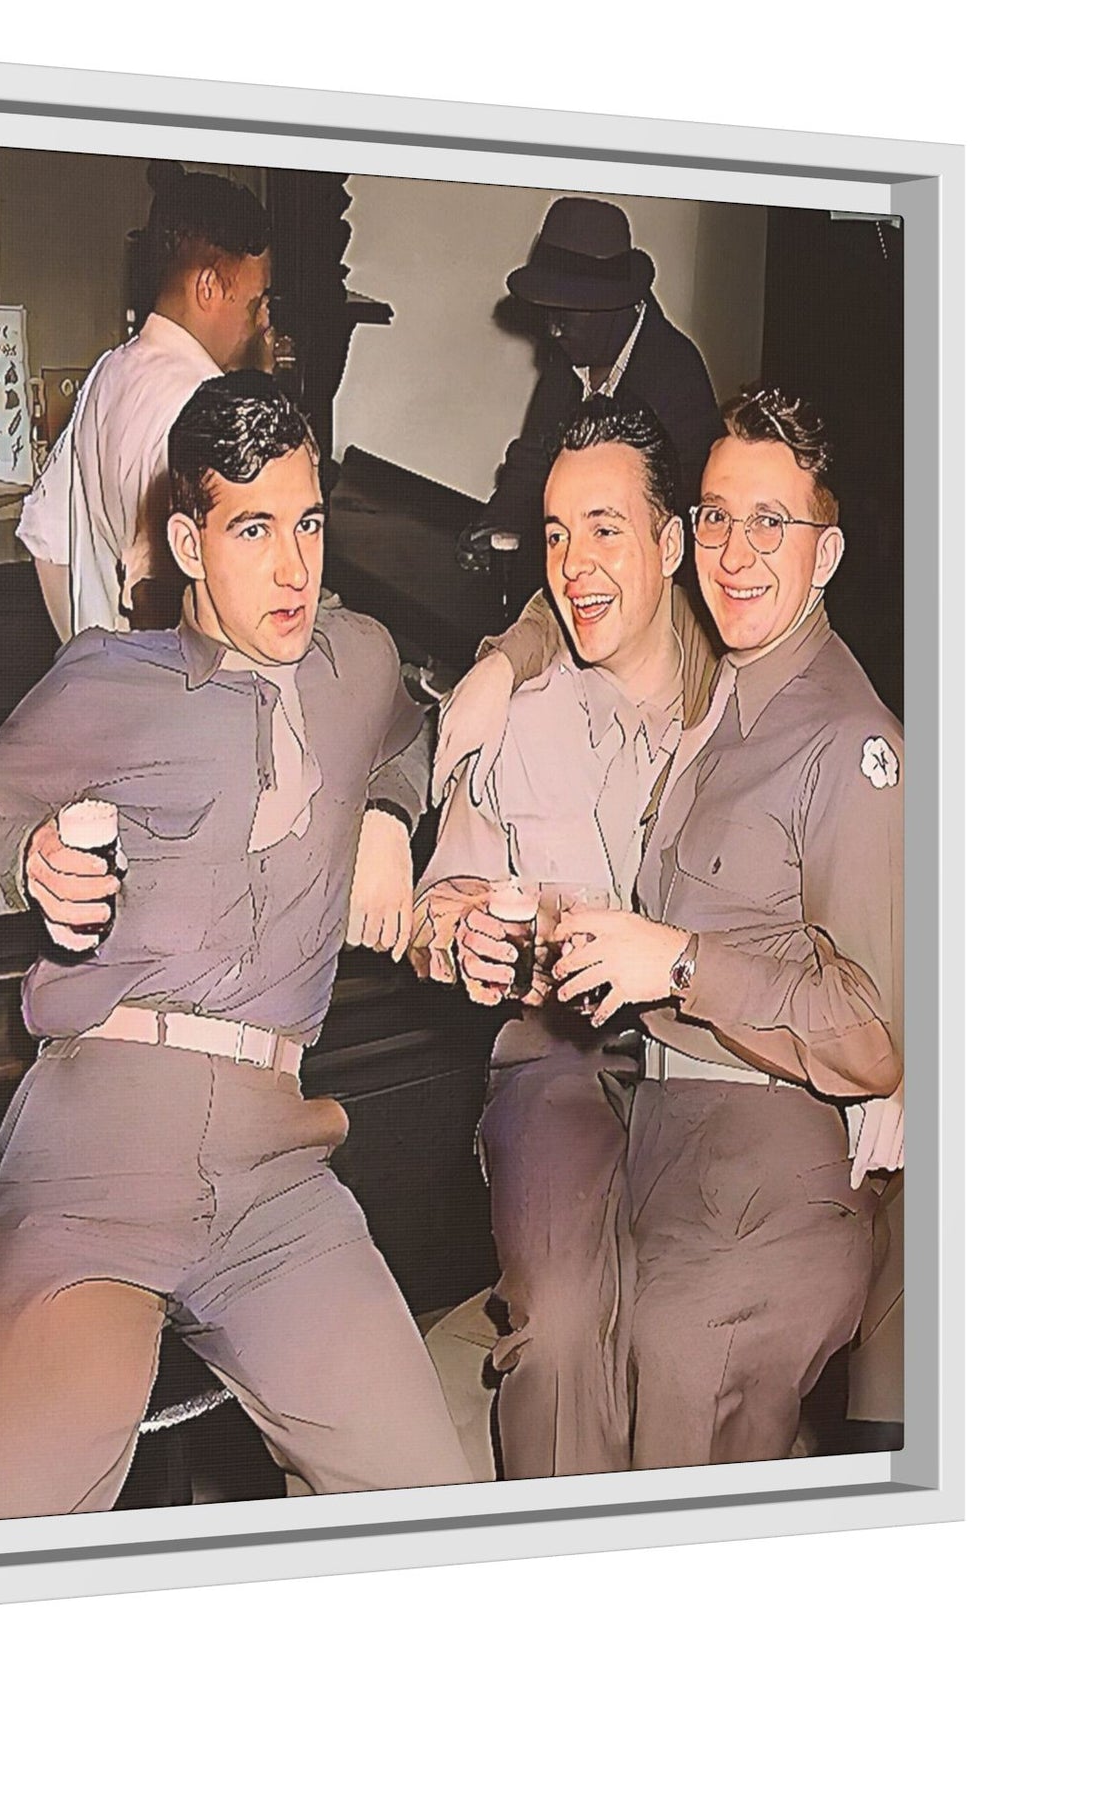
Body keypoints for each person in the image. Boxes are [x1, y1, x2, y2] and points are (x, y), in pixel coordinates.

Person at [0, 371, 476, 1521]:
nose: (294, 569)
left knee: (428, 1499)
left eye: (308, 523)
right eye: (253, 529)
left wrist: (388, 815)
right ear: (187, 540)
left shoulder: (359, 660)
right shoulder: (106, 678)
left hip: (277, 1175)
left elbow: (417, 727)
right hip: (94, 1152)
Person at [550, 384, 903, 1470]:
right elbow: (574, 578)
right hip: (661, 1134)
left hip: (766, 1163)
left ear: (825, 552)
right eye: (713, 516)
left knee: (680, 1463)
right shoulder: (728, 679)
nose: (733, 552)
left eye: (770, 523)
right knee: (580, 1381)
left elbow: (875, 1031)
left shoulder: (848, 741)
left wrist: (683, 962)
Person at [411, 398, 712, 1478]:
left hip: (713, 1064)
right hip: (554, 1060)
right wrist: (451, 938)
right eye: (554, 533)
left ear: (671, 542)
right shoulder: (519, 709)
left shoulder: (740, 699)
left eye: (604, 528)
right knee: (562, 1315)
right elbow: (439, 900)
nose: (575, 565)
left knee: (696, 1327)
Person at [15, 170, 275, 641]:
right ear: (210, 288)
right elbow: (154, 590)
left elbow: (47, 540)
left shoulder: (109, 372)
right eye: (256, 301)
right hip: (176, 699)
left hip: (109, 687)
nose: (263, 321)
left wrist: (84, 650)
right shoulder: (200, 404)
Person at [455, 196, 720, 580]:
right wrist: (493, 527)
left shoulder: (675, 379)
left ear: (614, 305)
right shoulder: (571, 354)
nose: (552, 328)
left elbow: (686, 524)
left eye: (566, 311)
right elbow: (531, 463)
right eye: (548, 311)